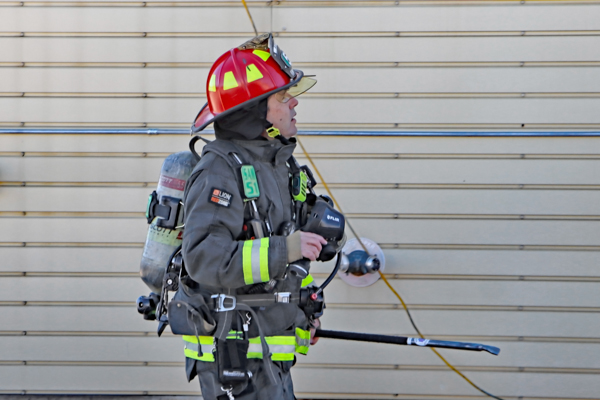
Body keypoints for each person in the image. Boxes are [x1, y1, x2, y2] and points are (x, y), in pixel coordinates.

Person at [180, 33, 329, 400]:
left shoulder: (276, 165)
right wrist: (287, 249)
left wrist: (302, 310)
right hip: (235, 358)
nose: (294, 102)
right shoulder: (219, 171)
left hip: (266, 357)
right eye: (283, 96)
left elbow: (273, 255)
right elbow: (204, 257)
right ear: (254, 109)